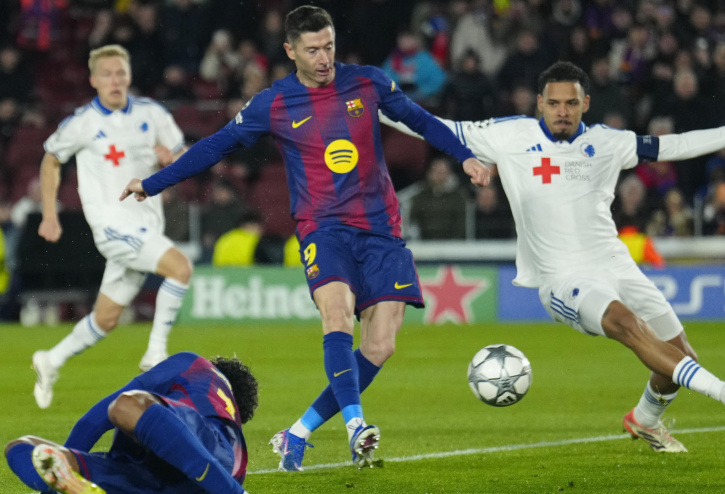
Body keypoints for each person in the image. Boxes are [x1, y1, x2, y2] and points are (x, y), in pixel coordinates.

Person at [120, 5, 490, 470]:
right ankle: (356, 426)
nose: (324, 58)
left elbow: (422, 120)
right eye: (313, 50)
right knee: (337, 315)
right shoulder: (273, 103)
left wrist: (464, 155)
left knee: (380, 346)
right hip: (323, 228)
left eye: (329, 46)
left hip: (381, 229)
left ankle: (297, 432)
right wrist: (153, 183)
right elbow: (215, 146)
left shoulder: (367, 82)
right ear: (290, 50)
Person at [383, 61, 725, 453]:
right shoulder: (508, 135)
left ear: (585, 102)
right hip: (562, 277)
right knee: (627, 324)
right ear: (540, 103)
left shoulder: (607, 141)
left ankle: (645, 420)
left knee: (679, 359)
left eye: (571, 103)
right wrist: (372, 103)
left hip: (614, 263)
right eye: (554, 103)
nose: (562, 112)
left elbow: (676, 145)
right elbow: (430, 125)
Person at [32, 45, 193, 409]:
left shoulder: (153, 114)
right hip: (111, 226)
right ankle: (155, 354)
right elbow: (50, 160)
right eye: (107, 74)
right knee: (180, 268)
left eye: (120, 73)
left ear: (129, 76)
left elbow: (185, 159)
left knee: (105, 319)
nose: (115, 80)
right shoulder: (82, 123)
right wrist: (49, 214)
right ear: (93, 80)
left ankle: (50, 360)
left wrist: (171, 160)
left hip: (147, 225)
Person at [5, 352, 258, 494]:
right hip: (192, 479)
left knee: (125, 404)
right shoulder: (233, 442)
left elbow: (96, 417)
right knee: (22, 446)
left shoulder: (197, 366)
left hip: (199, 463)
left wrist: (66, 460)